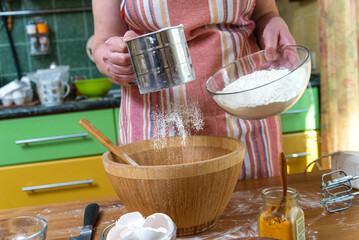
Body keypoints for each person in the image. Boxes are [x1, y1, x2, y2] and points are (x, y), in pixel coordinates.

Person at [92, 0, 296, 179]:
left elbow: (265, 14)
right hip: (158, 124)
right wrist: (113, 58)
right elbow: (103, 41)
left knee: (258, 214)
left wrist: (273, 24)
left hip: (247, 112)